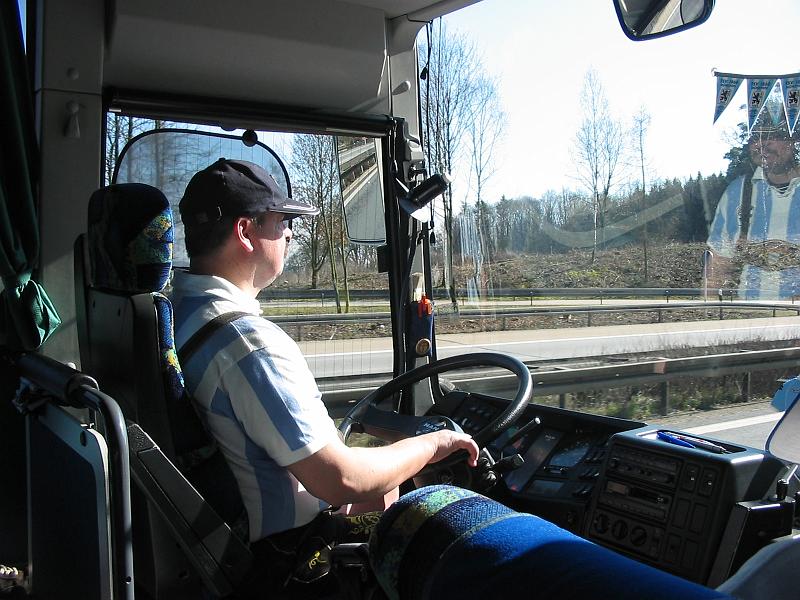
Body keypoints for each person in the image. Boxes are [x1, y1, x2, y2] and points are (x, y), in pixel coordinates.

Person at [171, 158, 479, 597]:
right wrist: (431, 444)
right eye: (284, 221)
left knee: (387, 497)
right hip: (284, 569)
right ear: (245, 231)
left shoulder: (182, 316)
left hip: (231, 545)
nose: (291, 233)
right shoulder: (248, 344)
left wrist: (360, 490)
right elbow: (343, 479)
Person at [707, 109, 800, 300]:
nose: (761, 145)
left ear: (792, 142)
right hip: (752, 317)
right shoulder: (738, 192)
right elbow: (717, 262)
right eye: (754, 138)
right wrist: (711, 315)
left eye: (771, 136)